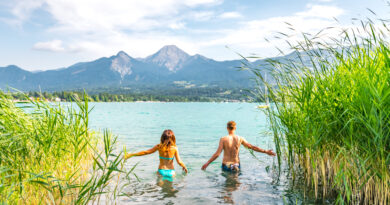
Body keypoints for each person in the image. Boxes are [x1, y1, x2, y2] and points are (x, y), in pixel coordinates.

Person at [201, 121, 276, 172]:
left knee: (227, 188)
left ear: (227, 128)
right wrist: (266, 151)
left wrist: (207, 163)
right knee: (235, 186)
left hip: (226, 165)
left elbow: (217, 154)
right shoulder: (240, 138)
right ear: (235, 128)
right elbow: (252, 147)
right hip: (236, 164)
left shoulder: (223, 139)